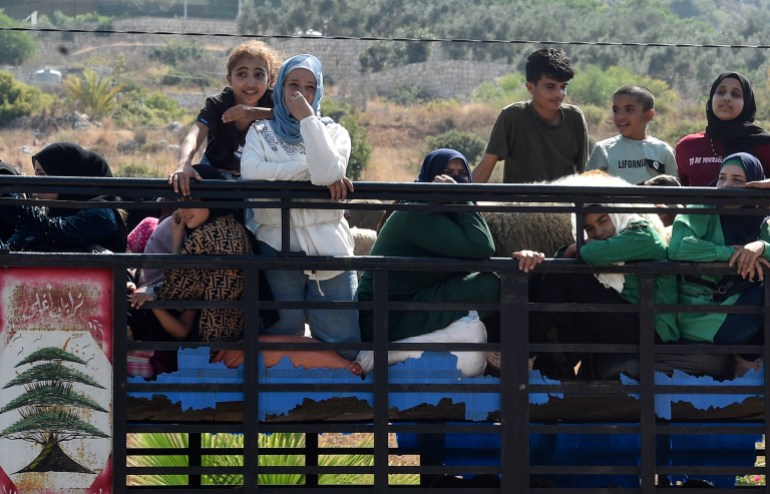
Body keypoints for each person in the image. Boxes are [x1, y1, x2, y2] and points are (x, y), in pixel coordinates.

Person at [357, 148, 544, 376]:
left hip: (409, 304)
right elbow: (482, 246)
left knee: (494, 283)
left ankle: (510, 356)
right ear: (429, 178)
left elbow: (478, 252)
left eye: (461, 174)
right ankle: (505, 358)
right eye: (446, 173)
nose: (454, 179)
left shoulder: (443, 214)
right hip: (387, 317)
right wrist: (463, 197)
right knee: (488, 285)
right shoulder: (417, 213)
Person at [240, 53, 360, 360]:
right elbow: (252, 173)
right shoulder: (260, 132)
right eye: (293, 85)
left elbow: (328, 174)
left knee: (341, 340)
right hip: (276, 245)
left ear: (318, 91)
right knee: (281, 335)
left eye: (309, 87)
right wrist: (309, 170)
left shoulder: (334, 133)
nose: (300, 94)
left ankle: (339, 404)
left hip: (330, 250)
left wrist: (309, 120)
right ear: (280, 88)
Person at [530, 197, 678, 379]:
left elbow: (591, 254)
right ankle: (545, 368)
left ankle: (526, 353)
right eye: (589, 228)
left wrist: (573, 249)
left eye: (603, 220)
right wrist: (569, 252)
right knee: (544, 279)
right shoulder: (611, 241)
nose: (598, 232)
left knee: (562, 275)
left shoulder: (642, 233)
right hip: (632, 315)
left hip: (654, 327)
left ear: (616, 214)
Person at [668, 152, 770, 376]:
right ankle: (746, 361)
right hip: (703, 318)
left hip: (737, 310)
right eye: (722, 178)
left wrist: (761, 246)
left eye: (738, 181)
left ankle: (745, 362)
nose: (726, 186)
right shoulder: (703, 207)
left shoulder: (763, 218)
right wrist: (730, 254)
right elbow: (678, 247)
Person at [170, 40, 281, 196]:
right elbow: (193, 136)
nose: (251, 82)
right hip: (214, 175)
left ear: (269, 80)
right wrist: (183, 164)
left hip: (256, 178)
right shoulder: (217, 104)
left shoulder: (275, 103)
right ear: (230, 79)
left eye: (259, 75)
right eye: (242, 74)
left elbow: (295, 117)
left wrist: (254, 113)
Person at [471, 47, 589, 184]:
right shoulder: (511, 117)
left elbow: (584, 172)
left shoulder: (575, 117)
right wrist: (460, 199)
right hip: (520, 204)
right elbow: (485, 169)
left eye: (563, 87)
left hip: (562, 204)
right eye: (550, 87)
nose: (559, 93)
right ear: (530, 87)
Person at [0, 142, 126, 253]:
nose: (37, 183)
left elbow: (53, 232)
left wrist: (11, 200)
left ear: (67, 175)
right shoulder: (50, 212)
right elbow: (10, 248)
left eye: (43, 175)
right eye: (36, 175)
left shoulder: (102, 214)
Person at [675, 72, 770, 186]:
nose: (727, 98)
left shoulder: (764, 144)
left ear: (747, 103)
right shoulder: (687, 146)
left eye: (736, 94)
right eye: (720, 92)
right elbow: (680, 194)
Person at [587, 84, 677, 183]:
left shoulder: (663, 151)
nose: (620, 116)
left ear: (649, 115)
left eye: (629, 109)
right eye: (616, 110)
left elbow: (674, 192)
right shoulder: (603, 150)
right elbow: (588, 192)